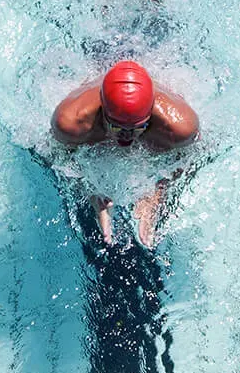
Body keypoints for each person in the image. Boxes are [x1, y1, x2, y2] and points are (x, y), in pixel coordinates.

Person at [51, 59, 199, 248]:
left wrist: (157, 194)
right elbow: (57, 155)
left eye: (139, 127)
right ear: (102, 113)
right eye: (116, 126)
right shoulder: (71, 121)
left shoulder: (179, 126)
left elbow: (193, 156)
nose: (127, 135)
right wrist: (90, 191)